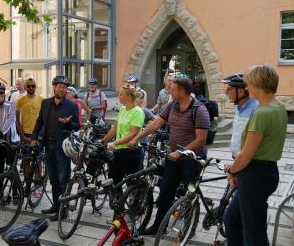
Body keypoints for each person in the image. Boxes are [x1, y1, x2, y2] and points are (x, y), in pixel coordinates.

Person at [128, 73, 210, 235]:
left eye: (172, 90)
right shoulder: (172, 106)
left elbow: (201, 140)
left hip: (192, 160)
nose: (169, 92)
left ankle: (188, 227)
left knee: (189, 194)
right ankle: (159, 225)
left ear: (182, 91)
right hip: (173, 158)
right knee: (165, 191)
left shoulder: (199, 110)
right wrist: (137, 138)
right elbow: (156, 124)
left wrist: (180, 153)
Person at [223, 65, 287, 246]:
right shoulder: (279, 108)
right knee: (232, 220)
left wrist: (232, 170)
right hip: (265, 173)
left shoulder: (262, 113)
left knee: (254, 235)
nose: (246, 88)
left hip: (254, 176)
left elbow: (245, 156)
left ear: (258, 84)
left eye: (248, 84)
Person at [31, 75, 80, 221]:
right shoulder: (45, 103)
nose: (62, 89)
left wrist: (68, 123)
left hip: (62, 147)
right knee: (52, 178)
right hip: (48, 144)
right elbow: (39, 121)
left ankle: (63, 210)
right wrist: (34, 138)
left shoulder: (71, 105)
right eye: (59, 86)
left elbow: (77, 125)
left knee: (62, 178)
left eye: (64, 87)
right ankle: (56, 205)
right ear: (54, 87)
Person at [101, 86, 145, 185]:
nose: (118, 96)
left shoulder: (137, 112)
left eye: (121, 94)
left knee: (132, 184)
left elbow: (133, 134)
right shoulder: (122, 109)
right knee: (114, 182)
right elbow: (115, 128)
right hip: (118, 151)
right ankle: (117, 199)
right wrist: (103, 141)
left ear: (129, 96)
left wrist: (114, 142)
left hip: (131, 152)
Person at [15, 78, 43, 197]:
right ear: (25, 87)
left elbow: (44, 119)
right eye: (29, 86)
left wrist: (40, 135)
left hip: (38, 135)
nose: (31, 88)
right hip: (25, 135)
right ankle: (27, 184)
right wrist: (22, 136)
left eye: (33, 86)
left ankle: (37, 185)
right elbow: (17, 121)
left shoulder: (41, 100)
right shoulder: (20, 101)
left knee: (37, 161)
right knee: (26, 161)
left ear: (35, 87)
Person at [221, 73, 259, 159]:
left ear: (241, 92)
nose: (226, 92)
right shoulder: (239, 106)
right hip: (238, 157)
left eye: (229, 89)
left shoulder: (256, 108)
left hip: (248, 160)